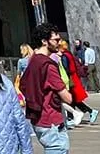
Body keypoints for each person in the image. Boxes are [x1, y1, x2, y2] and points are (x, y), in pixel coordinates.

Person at [21, 22, 73, 154]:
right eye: (56, 39)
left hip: (39, 119)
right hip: (51, 121)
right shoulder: (48, 66)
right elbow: (68, 98)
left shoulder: (33, 60)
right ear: (44, 41)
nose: (59, 43)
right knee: (58, 149)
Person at [59, 40, 98, 124]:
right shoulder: (69, 54)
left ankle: (73, 116)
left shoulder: (65, 56)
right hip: (73, 78)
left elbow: (66, 69)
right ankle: (75, 116)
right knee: (73, 99)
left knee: (71, 99)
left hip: (70, 79)